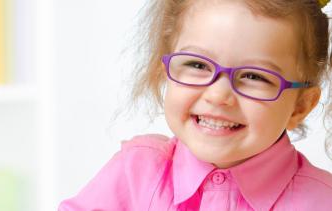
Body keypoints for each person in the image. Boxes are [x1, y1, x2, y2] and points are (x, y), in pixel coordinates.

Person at [59, 0, 332, 210]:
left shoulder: (322, 201)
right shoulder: (135, 174)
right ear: (164, 68)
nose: (217, 96)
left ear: (300, 106)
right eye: (197, 64)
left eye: (254, 76)